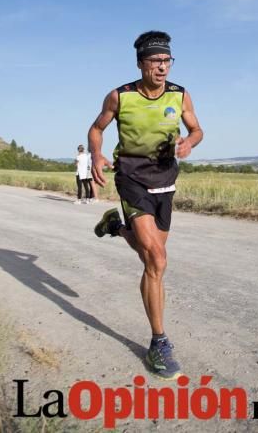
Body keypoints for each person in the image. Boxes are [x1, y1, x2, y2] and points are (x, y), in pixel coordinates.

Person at [89, 30, 203, 379]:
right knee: (157, 259)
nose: (162, 67)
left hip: (165, 179)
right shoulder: (120, 96)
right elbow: (97, 128)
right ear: (141, 63)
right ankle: (159, 341)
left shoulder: (180, 95)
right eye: (155, 60)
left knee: (150, 257)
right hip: (132, 176)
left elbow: (197, 130)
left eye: (167, 60)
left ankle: (116, 227)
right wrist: (96, 153)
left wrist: (190, 143)